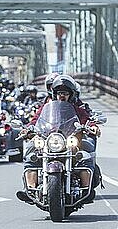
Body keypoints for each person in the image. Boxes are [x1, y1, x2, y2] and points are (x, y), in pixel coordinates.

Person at [16, 74, 100, 204]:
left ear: (70, 95)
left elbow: (87, 119)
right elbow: (35, 120)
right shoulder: (46, 108)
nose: (62, 95)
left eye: (65, 93)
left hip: (69, 142)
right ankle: (30, 189)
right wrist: (27, 129)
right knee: (31, 154)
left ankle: (85, 190)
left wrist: (92, 126)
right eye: (60, 93)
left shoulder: (77, 109)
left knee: (85, 156)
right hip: (50, 140)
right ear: (55, 94)